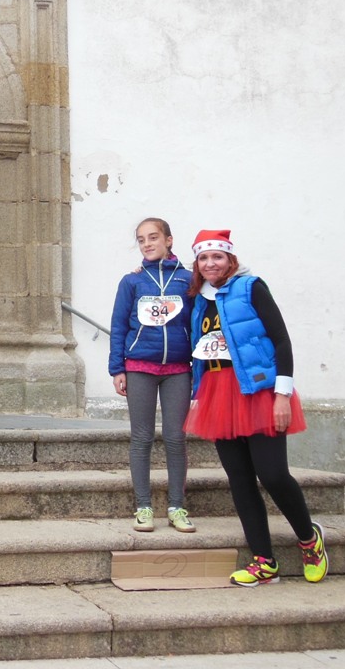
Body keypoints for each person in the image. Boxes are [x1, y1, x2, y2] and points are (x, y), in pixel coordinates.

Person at [183, 229, 328, 586]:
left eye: (217, 256)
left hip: (259, 390)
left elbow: (281, 340)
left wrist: (283, 394)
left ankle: (309, 540)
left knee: (273, 474)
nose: (210, 263)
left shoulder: (251, 287)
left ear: (230, 259)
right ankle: (264, 562)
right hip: (218, 394)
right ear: (197, 264)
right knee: (240, 480)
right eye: (203, 258)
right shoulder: (199, 299)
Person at [108, 218, 195, 533]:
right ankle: (143, 507)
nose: (147, 244)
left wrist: (198, 371)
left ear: (169, 240)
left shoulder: (188, 280)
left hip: (178, 369)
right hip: (139, 368)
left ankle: (176, 507)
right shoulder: (131, 281)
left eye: (153, 237)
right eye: (141, 239)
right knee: (141, 437)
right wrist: (117, 368)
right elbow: (119, 325)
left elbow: (197, 324)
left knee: (175, 437)